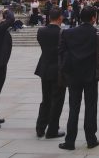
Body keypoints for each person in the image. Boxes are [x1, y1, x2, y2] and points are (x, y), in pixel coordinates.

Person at [58, 7, 99, 151]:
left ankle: (70, 141)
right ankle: (91, 139)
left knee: (74, 107)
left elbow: (61, 51)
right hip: (91, 75)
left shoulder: (67, 33)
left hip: (73, 75)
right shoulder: (98, 33)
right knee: (91, 107)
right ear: (93, 18)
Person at [35, 8, 67, 139]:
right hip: (58, 70)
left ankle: (40, 127)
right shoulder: (63, 33)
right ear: (60, 18)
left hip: (44, 67)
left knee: (46, 99)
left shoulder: (41, 31)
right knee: (57, 100)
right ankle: (52, 129)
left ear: (49, 18)